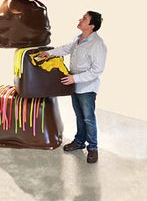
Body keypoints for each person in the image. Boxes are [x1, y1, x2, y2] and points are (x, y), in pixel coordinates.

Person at [38, 11, 107, 163]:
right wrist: (48, 53)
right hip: (74, 85)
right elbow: (65, 49)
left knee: (88, 118)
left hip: (87, 87)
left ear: (91, 26)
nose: (80, 19)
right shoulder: (78, 38)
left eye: (84, 19)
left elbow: (97, 70)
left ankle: (93, 148)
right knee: (79, 116)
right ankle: (79, 141)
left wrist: (74, 78)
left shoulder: (98, 44)